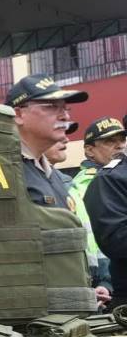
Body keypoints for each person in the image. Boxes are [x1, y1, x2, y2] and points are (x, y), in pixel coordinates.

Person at [5, 72, 86, 208]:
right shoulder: (1, 169)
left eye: (65, 108)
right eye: (51, 106)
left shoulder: (53, 174)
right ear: (18, 114)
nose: (65, 116)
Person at [70, 116, 124, 300]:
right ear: (89, 150)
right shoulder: (82, 185)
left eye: (122, 139)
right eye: (110, 141)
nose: (119, 145)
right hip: (101, 276)